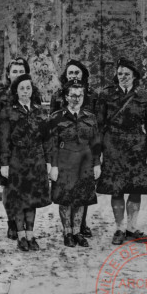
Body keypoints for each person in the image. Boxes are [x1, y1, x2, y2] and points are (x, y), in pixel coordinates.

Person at [96, 58, 147, 245]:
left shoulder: (144, 96)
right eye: (120, 73)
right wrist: (98, 151)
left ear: (134, 76)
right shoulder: (106, 95)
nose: (122, 77)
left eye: (127, 74)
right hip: (112, 147)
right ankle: (119, 228)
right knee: (117, 190)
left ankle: (131, 228)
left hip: (137, 148)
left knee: (135, 189)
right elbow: (98, 125)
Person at [0, 73, 51, 252]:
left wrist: (49, 162)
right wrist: (4, 164)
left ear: (32, 90)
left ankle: (31, 234)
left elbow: (47, 139)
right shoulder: (9, 111)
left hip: (36, 160)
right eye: (21, 88)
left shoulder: (39, 111)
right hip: (17, 160)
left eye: (28, 88)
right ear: (15, 91)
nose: (25, 92)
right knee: (19, 200)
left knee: (32, 200)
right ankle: (21, 235)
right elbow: (4, 139)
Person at [47, 81, 101, 248]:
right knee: (65, 198)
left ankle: (77, 232)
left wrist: (97, 164)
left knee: (81, 198)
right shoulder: (56, 117)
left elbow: (96, 143)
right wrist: (53, 166)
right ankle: (67, 233)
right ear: (66, 97)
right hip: (65, 161)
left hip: (85, 162)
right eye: (73, 95)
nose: (76, 99)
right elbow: (52, 144)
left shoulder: (90, 117)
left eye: (80, 95)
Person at [0, 57, 41, 241]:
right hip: (6, 145)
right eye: (15, 71)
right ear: (8, 74)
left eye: (22, 71)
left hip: (27, 150)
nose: (18, 75)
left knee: (25, 189)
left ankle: (23, 226)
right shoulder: (0, 95)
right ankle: (12, 221)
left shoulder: (33, 93)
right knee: (8, 187)